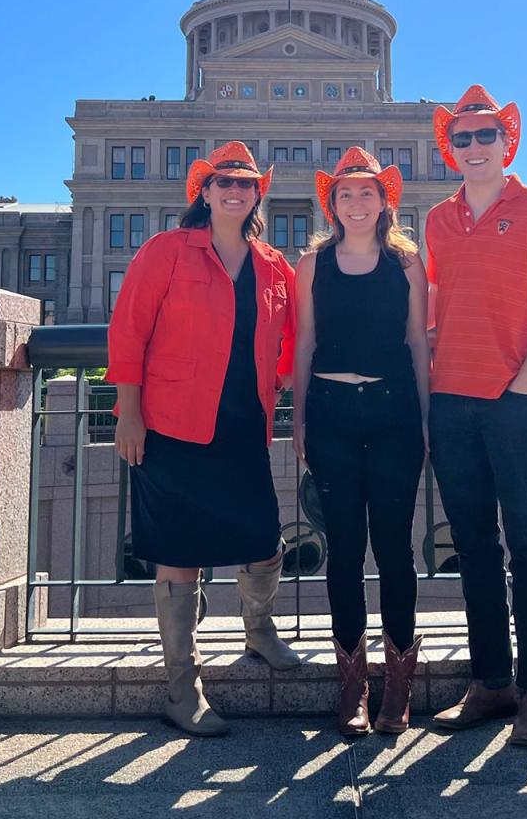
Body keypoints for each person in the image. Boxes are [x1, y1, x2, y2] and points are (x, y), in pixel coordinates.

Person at [106, 141, 300, 738]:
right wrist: (129, 413)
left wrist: (295, 388)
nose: (234, 191)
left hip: (243, 426)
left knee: (265, 541)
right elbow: (129, 330)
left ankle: (259, 631)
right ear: (205, 192)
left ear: (257, 194)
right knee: (179, 554)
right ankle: (181, 687)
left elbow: (292, 339)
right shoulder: (166, 250)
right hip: (171, 424)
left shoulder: (273, 265)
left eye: (245, 183)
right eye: (224, 182)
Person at [425, 85, 527, 747]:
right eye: (461, 138)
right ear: (450, 148)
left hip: (516, 405)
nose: (473, 147)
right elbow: (433, 303)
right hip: (450, 403)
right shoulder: (437, 219)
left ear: (505, 141)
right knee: (474, 550)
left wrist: (522, 387)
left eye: (485, 135)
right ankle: (491, 681)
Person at [292, 147, 430, 736]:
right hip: (329, 413)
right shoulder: (312, 264)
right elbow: (303, 344)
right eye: (344, 193)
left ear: (384, 201)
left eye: (366, 192)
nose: (355, 202)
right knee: (344, 550)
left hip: (395, 411)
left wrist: (425, 418)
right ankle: (353, 683)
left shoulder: (407, 264)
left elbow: (419, 344)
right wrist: (297, 419)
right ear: (332, 203)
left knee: (395, 548)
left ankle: (398, 685)